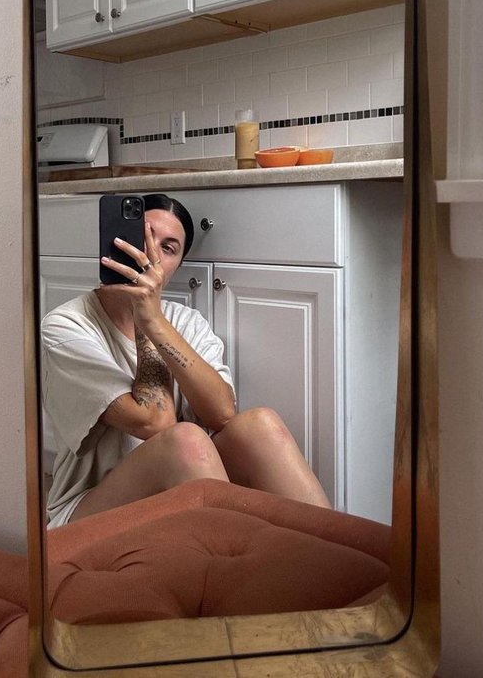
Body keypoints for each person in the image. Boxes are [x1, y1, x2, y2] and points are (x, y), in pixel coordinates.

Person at [42, 193, 330, 528]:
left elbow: (222, 413)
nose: (151, 253)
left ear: (175, 267)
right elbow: (155, 423)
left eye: (168, 248)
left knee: (261, 425)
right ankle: (237, 551)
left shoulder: (186, 321)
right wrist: (145, 322)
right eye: (143, 235)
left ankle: (335, 550)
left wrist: (156, 322)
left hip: (181, 487)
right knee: (186, 440)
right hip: (89, 508)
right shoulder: (66, 326)